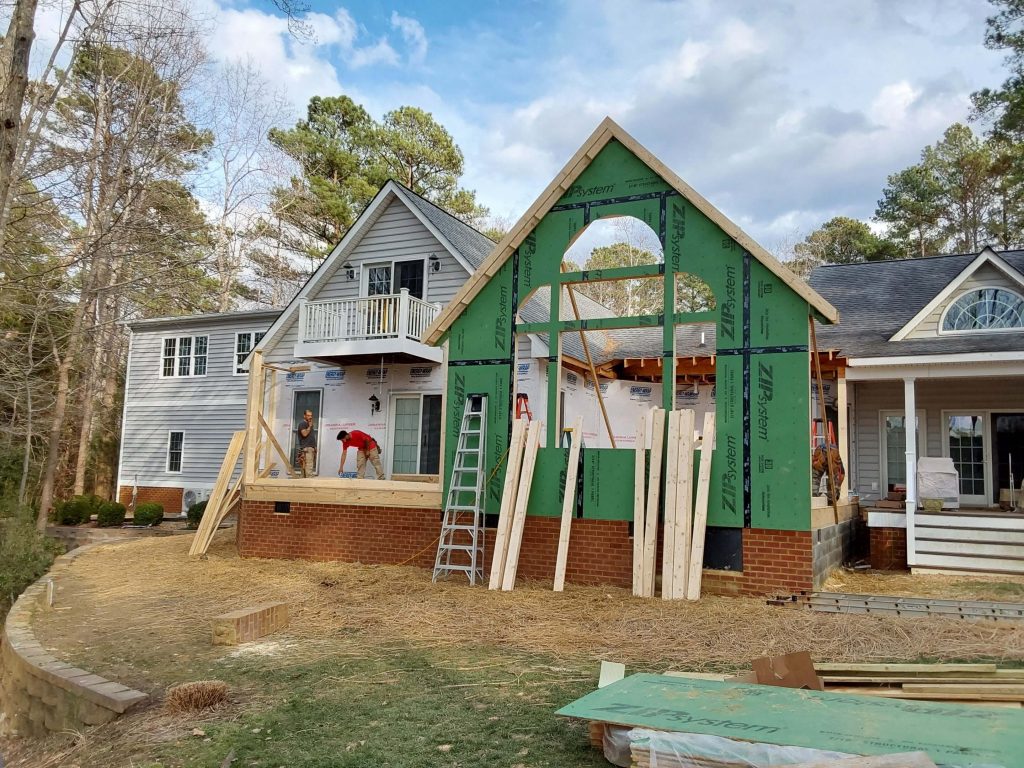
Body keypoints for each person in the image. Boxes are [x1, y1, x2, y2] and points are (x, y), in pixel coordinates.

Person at [296, 409, 318, 477]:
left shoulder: (309, 424)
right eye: (308, 415)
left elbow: (311, 437)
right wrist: (309, 426)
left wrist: (314, 447)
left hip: (310, 448)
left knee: (306, 470)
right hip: (306, 448)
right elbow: (304, 434)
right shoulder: (303, 424)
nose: (310, 417)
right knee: (308, 470)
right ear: (304, 416)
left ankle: (303, 485)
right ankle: (309, 485)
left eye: (311, 415)